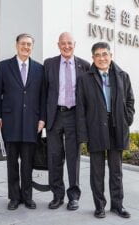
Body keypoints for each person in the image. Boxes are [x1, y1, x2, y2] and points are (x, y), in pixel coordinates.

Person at [76, 42, 135, 218]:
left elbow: (130, 101)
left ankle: (117, 205)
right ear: (93, 58)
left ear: (111, 55)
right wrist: (83, 133)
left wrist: (127, 119)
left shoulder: (122, 76)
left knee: (116, 171)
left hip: (116, 127)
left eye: (105, 54)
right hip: (95, 127)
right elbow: (81, 108)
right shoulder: (85, 79)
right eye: (98, 55)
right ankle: (99, 206)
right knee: (97, 171)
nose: (102, 58)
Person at [0, 33, 46, 210]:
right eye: (23, 43)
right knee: (12, 162)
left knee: (28, 163)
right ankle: (14, 197)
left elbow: (43, 96)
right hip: (10, 121)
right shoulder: (3, 66)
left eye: (29, 44)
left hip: (32, 123)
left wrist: (42, 119)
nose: (26, 47)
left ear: (32, 47)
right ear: (16, 45)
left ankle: (27, 197)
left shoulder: (39, 68)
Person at [44, 32, 90, 210]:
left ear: (74, 44)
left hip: (74, 116)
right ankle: (57, 195)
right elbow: (44, 92)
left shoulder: (84, 66)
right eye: (63, 43)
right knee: (55, 157)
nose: (66, 46)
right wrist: (43, 119)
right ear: (58, 45)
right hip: (55, 116)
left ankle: (74, 196)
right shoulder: (49, 64)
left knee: (73, 157)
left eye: (69, 43)